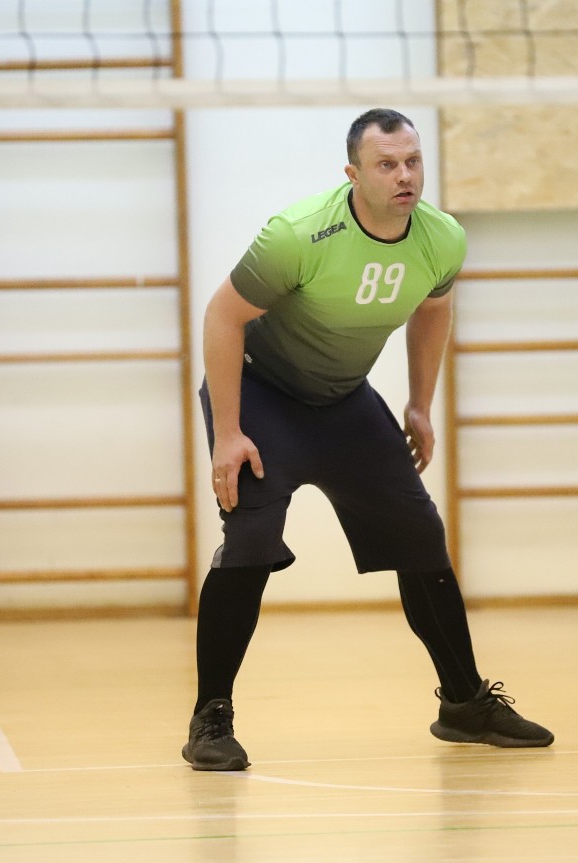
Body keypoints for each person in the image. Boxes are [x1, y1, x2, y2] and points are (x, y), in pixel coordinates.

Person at [183, 108, 553, 771]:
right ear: (353, 174)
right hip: (262, 394)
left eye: (413, 161)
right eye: (387, 165)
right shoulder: (298, 234)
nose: (404, 176)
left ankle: (464, 703)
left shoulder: (442, 239)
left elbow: (433, 310)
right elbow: (222, 314)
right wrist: (229, 432)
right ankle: (211, 718)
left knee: (419, 533)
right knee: (252, 539)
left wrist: (420, 404)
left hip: (344, 401)